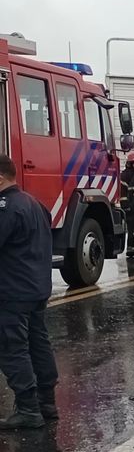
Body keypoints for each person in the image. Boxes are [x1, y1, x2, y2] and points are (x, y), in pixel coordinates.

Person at [0, 155, 58, 430]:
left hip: (12, 291)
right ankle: (47, 403)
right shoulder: (34, 203)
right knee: (38, 344)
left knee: (12, 348)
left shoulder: (6, 207)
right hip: (35, 289)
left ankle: (28, 409)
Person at [119, 151, 134, 261]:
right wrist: (127, 207)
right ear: (129, 164)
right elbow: (123, 194)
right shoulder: (125, 176)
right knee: (132, 228)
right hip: (129, 207)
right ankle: (133, 248)